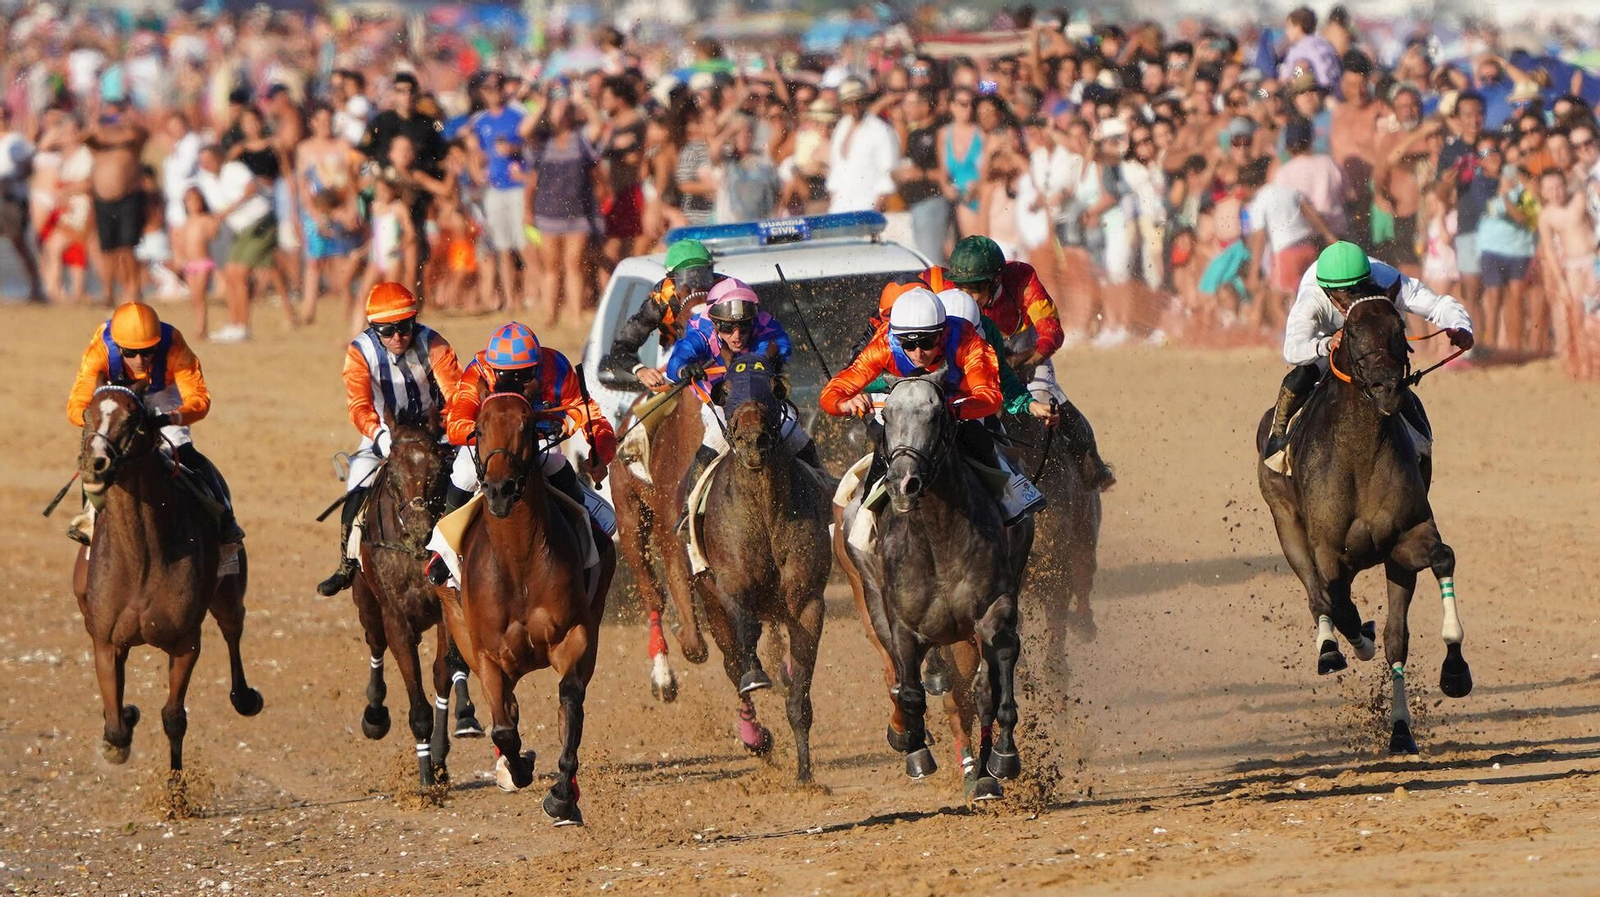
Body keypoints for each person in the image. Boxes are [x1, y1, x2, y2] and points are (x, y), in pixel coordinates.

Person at [427, 322, 618, 584]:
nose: (514, 382)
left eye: (523, 374)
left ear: (537, 364)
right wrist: (496, 431)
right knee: (464, 472)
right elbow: (456, 424)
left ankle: (587, 531)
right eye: (505, 375)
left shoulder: (557, 368)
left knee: (554, 461)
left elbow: (586, 414)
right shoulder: (478, 370)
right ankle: (443, 549)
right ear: (493, 369)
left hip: (536, 440)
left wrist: (601, 450)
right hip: (488, 443)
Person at [928, 235, 1115, 489]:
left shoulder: (1023, 280)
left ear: (995, 281)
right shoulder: (941, 281)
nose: (965, 297)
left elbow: (1052, 333)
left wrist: (1020, 361)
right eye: (960, 287)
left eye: (973, 290)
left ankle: (1091, 462)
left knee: (1045, 394)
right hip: (972, 355)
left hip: (1025, 351)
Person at [1263, 242, 1474, 464]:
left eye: (1357, 289)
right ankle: (1279, 435)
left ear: (1367, 280)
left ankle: (1420, 437)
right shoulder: (1311, 299)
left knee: (1391, 372)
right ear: (1326, 291)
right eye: (1343, 294)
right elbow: (1292, 349)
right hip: (1327, 338)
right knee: (1307, 372)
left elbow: (1437, 305)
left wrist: (1461, 326)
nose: (1350, 298)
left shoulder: (1383, 279)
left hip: (1371, 335)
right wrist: (1325, 344)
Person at [317, 282, 463, 597]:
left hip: (435, 435)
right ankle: (347, 562)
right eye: (387, 330)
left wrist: (449, 431)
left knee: (471, 480)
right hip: (383, 436)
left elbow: (454, 394)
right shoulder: (359, 352)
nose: (397, 337)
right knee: (357, 483)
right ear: (373, 328)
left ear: (415, 321)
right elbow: (359, 406)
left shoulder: (434, 345)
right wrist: (382, 438)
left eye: (404, 327)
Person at [63, 301, 243, 548]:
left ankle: (225, 518)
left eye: (148, 351)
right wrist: (96, 420)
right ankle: (88, 518)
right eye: (130, 353)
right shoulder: (100, 350)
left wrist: (173, 417)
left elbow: (199, 399)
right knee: (97, 455)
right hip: (116, 394)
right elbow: (77, 404)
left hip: (162, 392)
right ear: (117, 347)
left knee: (182, 450)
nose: (140, 359)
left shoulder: (174, 344)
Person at [665, 278, 822, 513]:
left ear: (753, 321)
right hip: (720, 401)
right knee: (716, 439)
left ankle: (824, 495)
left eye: (744, 327)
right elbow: (678, 358)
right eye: (728, 328)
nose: (737, 335)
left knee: (797, 436)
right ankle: (690, 511)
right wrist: (684, 369)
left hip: (765, 401)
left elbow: (782, 346)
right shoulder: (701, 330)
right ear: (715, 322)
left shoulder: (766, 326)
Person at [599, 239, 723, 388]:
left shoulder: (727, 289)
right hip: (675, 358)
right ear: (670, 279)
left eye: (702, 277)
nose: (695, 288)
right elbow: (622, 347)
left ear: (711, 272)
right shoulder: (661, 299)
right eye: (686, 279)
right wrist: (640, 370)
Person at [85, 105, 150, 305]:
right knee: (108, 249)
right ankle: (108, 292)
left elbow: (143, 133)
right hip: (103, 201)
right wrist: (97, 123)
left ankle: (133, 289)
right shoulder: (98, 145)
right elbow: (85, 137)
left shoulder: (132, 143)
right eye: (109, 118)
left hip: (128, 199)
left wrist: (127, 122)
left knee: (128, 247)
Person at [173, 187, 219, 338]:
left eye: (196, 200)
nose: (193, 204)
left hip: (203, 262)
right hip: (190, 264)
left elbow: (214, 235)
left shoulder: (206, 220)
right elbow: (180, 245)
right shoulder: (185, 223)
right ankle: (198, 325)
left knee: (200, 295)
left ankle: (202, 327)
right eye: (190, 201)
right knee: (194, 297)